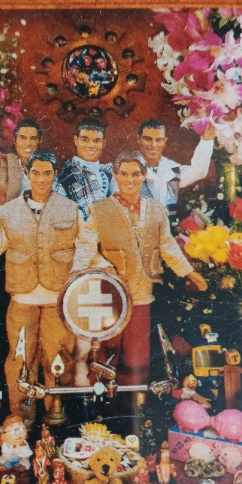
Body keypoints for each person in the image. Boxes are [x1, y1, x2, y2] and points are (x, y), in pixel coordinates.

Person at [0, 151, 81, 424]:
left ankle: (56, 411)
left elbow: (84, 247)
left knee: (58, 355)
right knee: (21, 356)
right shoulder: (8, 212)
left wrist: (103, 269)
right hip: (22, 297)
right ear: (27, 174)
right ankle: (22, 416)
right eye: (36, 173)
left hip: (58, 297)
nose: (41, 179)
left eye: (47, 173)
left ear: (55, 174)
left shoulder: (70, 209)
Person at [72, 151, 207, 386]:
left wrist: (188, 271)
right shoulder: (100, 210)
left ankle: (135, 400)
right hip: (109, 293)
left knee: (137, 355)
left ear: (144, 176)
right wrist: (86, 271)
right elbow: (86, 246)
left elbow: (168, 245)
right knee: (106, 351)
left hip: (142, 292)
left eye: (135, 174)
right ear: (115, 175)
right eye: (123, 174)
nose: (129, 180)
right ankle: (101, 402)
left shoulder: (156, 210)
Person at [136, 118, 213, 221]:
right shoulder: (127, 169)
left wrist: (206, 141)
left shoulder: (172, 170)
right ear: (138, 139)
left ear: (164, 142)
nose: (153, 145)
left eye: (158, 140)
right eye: (148, 139)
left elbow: (199, 171)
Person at [54, 118, 117, 218]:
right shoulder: (66, 177)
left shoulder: (108, 173)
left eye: (96, 141)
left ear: (104, 143)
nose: (91, 145)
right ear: (76, 141)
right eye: (84, 140)